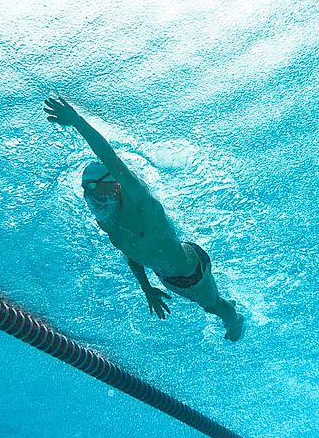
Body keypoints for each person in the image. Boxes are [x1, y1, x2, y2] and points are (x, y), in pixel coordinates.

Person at [43, 94, 244, 341]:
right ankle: (223, 301)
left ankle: (234, 317)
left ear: (113, 184)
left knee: (213, 306)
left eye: (93, 186)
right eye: (84, 188)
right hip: (168, 277)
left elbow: (110, 157)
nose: (88, 194)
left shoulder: (140, 201)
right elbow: (132, 253)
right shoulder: (107, 220)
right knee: (202, 302)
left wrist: (76, 120)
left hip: (192, 269)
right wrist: (147, 287)